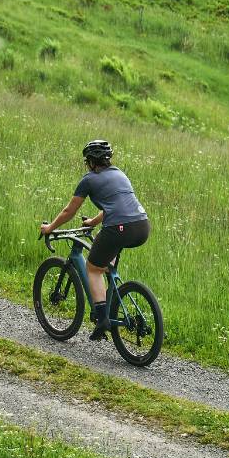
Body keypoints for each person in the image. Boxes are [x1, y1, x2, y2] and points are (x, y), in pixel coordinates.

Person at [40, 139, 150, 339]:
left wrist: (50, 228)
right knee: (105, 254)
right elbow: (114, 207)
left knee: (93, 268)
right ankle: (112, 298)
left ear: (90, 161)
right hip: (141, 226)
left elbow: (69, 211)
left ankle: (102, 320)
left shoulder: (89, 179)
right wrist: (92, 221)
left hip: (119, 228)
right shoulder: (120, 174)